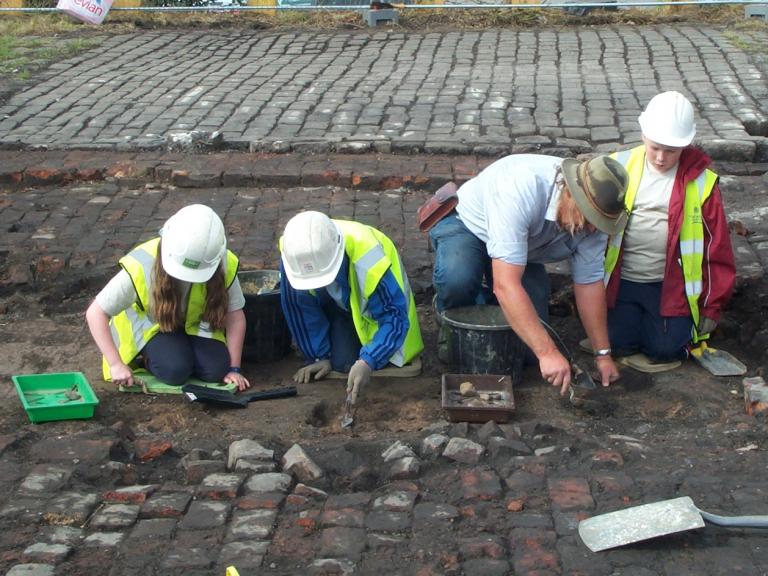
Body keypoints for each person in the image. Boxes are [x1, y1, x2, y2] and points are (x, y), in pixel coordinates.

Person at [430, 154, 629, 395]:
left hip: (523, 250)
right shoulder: (520, 188)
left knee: (528, 351)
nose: (593, 229)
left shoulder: (597, 219)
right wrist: (548, 352)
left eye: (600, 222)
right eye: (590, 219)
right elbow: (506, 284)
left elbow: (589, 284)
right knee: (458, 277)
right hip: (468, 227)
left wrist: (603, 355)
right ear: (571, 195)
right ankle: (452, 324)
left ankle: (496, 309)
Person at [603, 91, 735, 365]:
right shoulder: (619, 165)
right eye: (655, 147)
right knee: (615, 343)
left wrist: (712, 306)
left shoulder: (702, 183)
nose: (661, 157)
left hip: (668, 286)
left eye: (671, 151)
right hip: (621, 281)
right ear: (643, 136)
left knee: (665, 350)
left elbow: (716, 249)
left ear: (685, 146)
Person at [86, 204, 251, 391]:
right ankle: (151, 357)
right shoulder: (141, 265)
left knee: (216, 372)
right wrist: (116, 364)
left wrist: (234, 368)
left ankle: (183, 351)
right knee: (175, 371)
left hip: (194, 326)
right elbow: (95, 313)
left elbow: (235, 317)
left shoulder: (222, 262)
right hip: (153, 328)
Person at [279, 211, 423, 405]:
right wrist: (319, 355)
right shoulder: (295, 252)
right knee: (341, 362)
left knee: (351, 364)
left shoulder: (369, 258)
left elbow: (395, 317)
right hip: (339, 304)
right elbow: (298, 306)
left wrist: (368, 360)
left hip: (379, 310)